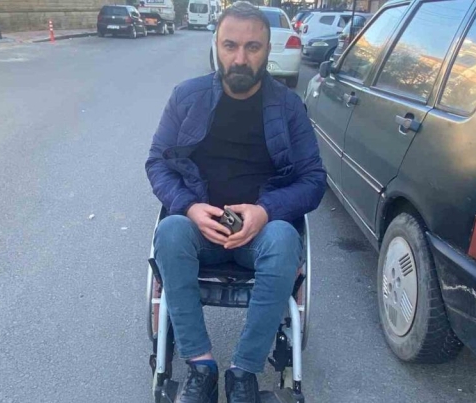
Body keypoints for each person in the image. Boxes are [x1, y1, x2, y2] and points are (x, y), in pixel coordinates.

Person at [145, 2, 326, 402]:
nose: (240, 58)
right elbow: (157, 163)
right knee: (170, 231)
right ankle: (201, 366)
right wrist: (190, 207)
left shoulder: (288, 107)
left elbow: (314, 180)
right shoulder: (186, 97)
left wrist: (265, 212)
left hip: (260, 234)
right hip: (200, 228)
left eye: (252, 47)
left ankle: (243, 371)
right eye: (230, 45)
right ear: (216, 45)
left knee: (284, 240)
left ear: (267, 50)